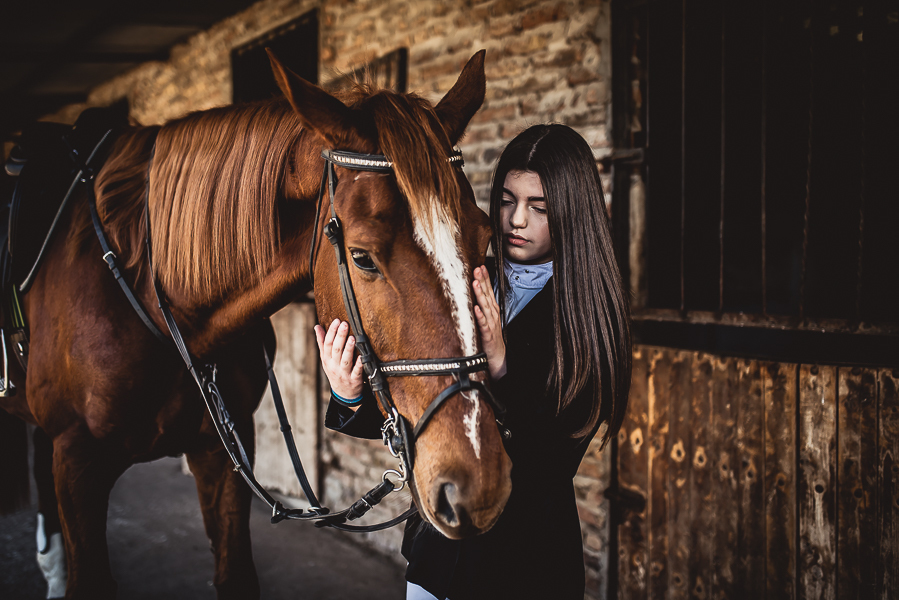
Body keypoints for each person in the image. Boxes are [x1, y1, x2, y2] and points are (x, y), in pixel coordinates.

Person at [315, 124, 631, 600]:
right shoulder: (466, 278)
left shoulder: (590, 309)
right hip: (437, 559)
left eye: (538, 207)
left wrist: (502, 364)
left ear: (574, 210)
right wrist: (349, 393)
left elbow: (553, 458)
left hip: (525, 570)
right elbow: (426, 411)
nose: (516, 220)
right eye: (506, 201)